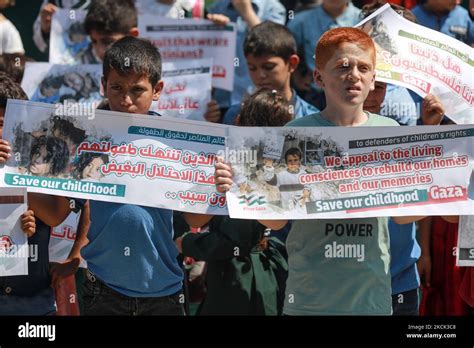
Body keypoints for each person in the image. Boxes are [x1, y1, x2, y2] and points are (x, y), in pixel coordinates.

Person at [215, 27, 427, 315]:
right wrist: (237, 185)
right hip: (307, 301)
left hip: (371, 301)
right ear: (318, 77)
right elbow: (276, 222)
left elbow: (403, 214)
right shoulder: (294, 133)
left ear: (373, 78)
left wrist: (442, 187)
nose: (354, 74)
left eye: (363, 67)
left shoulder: (389, 132)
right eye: (342, 67)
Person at [51, 36, 184, 316]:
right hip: (104, 289)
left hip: (165, 291)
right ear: (103, 86)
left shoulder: (175, 145)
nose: (125, 100)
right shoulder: (86, 141)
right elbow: (60, 211)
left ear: (157, 90)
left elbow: (196, 218)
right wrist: (24, 168)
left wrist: (221, 185)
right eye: (116, 88)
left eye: (137, 90)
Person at [176, 88, 291, 315]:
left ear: (238, 122)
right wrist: (218, 189)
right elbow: (193, 216)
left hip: (241, 280)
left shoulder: (267, 168)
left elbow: (236, 239)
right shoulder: (224, 162)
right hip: (245, 275)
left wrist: (187, 243)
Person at [0, 73, 83, 315]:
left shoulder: (46, 160)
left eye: (5, 122)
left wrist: (14, 169)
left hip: (32, 299)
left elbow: (57, 214)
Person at [222, 21, 318, 125]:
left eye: (268, 67)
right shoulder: (235, 115)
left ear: (292, 63)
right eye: (252, 68)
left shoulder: (312, 120)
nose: (260, 75)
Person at [207, 0, 286, 110]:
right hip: (222, 102)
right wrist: (213, 30)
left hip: (257, 100)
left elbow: (273, 46)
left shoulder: (273, 8)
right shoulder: (217, 8)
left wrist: (247, 12)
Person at [287, 0, 361, 109]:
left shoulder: (364, 19)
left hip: (354, 94)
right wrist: (296, 77)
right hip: (316, 96)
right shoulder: (300, 21)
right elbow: (286, 52)